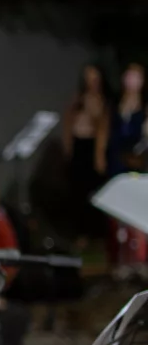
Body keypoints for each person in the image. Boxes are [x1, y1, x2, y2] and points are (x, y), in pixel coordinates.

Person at [104, 63, 148, 273]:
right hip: (118, 162)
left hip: (138, 163)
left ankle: (140, 259)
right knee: (117, 211)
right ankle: (120, 260)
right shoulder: (116, 105)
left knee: (137, 210)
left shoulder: (144, 106)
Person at [60, 64, 109, 239]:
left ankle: (94, 232)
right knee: (77, 191)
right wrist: (68, 147)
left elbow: (102, 127)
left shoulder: (101, 101)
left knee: (93, 190)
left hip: (91, 148)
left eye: (94, 79)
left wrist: (99, 156)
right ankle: (78, 232)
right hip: (78, 146)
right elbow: (68, 122)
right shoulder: (77, 99)